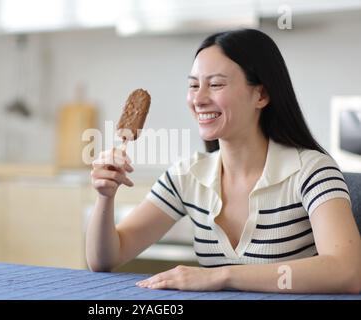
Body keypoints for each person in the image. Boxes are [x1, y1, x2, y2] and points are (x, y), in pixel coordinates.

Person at [86, 29, 361, 294]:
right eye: (193, 85)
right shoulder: (186, 176)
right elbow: (106, 259)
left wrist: (221, 275)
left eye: (215, 84)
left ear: (261, 95)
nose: (198, 99)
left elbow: (348, 271)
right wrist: (105, 197)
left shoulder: (312, 171)